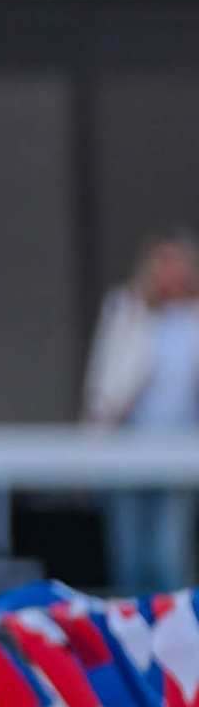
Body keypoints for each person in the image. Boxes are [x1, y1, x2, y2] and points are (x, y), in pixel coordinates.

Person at [84, 230, 199, 591]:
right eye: (161, 263)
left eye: (175, 262)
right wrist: (100, 425)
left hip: (180, 444)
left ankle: (174, 625)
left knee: (167, 553)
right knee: (130, 553)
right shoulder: (128, 308)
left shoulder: (193, 316)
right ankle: (131, 623)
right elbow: (105, 373)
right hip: (130, 439)